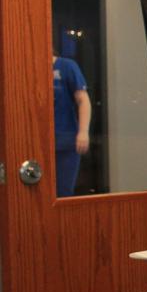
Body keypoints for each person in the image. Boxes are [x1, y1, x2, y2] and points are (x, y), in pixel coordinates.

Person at [52, 52, 91, 196]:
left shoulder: (67, 66)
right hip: (37, 141)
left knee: (63, 191)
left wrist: (83, 132)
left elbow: (83, 100)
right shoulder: (30, 68)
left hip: (66, 139)